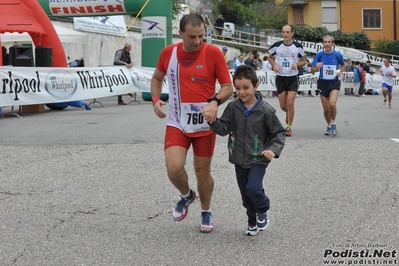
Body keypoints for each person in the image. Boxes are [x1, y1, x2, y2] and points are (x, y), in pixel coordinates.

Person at [150, 13, 234, 233]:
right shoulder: (169, 53)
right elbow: (157, 78)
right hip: (177, 121)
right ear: (180, 34)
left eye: (201, 36)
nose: (197, 41)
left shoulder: (213, 53)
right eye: (192, 37)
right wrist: (156, 99)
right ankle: (187, 195)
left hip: (205, 124)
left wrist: (215, 102)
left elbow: (228, 87)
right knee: (174, 168)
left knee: (202, 172)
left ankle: (206, 210)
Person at [206, 65, 286, 236]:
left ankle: (263, 209)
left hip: (259, 157)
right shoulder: (233, 107)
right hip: (238, 158)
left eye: (246, 88)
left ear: (256, 86)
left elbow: (278, 132)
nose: (241, 92)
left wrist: (273, 149)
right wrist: (212, 121)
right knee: (245, 195)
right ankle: (251, 221)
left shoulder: (266, 111)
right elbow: (224, 128)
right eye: (238, 88)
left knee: (253, 188)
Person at [268, 24, 306, 137]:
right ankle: (288, 113)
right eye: (283, 32)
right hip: (280, 78)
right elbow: (270, 57)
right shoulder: (277, 46)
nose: (285, 34)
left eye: (287, 32)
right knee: (283, 106)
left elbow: (304, 61)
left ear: (292, 33)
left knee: (290, 102)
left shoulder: (298, 46)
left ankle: (289, 127)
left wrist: (298, 65)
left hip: (292, 77)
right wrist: (274, 65)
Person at [311, 35, 345, 136]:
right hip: (323, 83)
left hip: (334, 82)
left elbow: (343, 65)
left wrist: (339, 71)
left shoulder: (337, 55)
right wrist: (316, 68)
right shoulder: (319, 55)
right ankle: (329, 125)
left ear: (332, 44)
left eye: (329, 42)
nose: (327, 44)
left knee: (332, 104)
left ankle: (334, 123)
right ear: (323, 44)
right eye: (325, 42)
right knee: (326, 108)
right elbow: (312, 70)